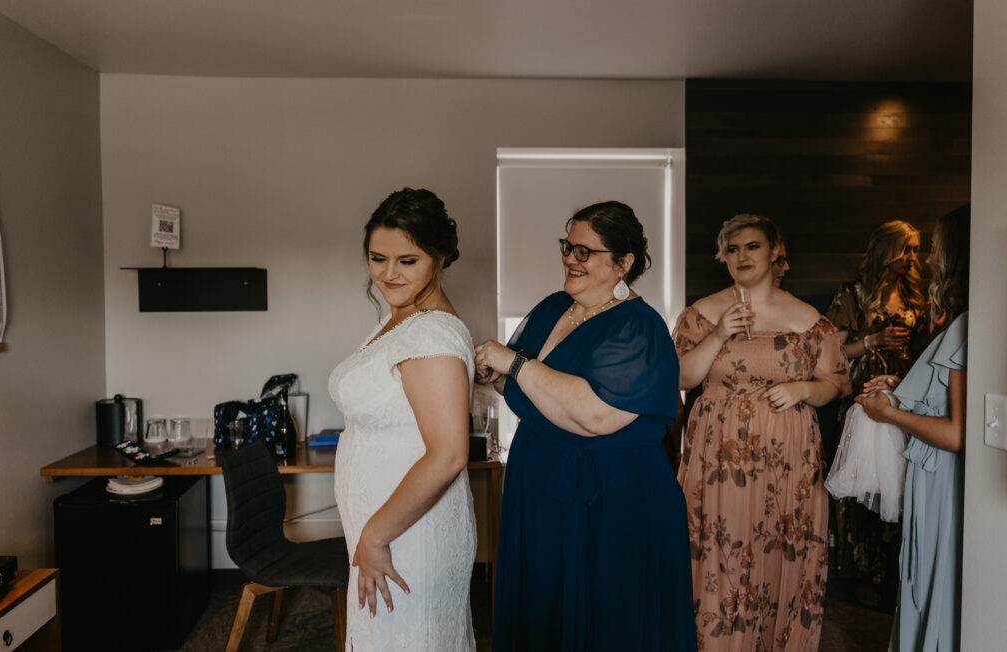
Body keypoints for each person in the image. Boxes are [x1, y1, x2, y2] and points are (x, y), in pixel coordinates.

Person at [474, 201, 696, 651]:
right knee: (547, 609)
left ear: (624, 262)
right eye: (567, 247)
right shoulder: (554, 306)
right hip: (541, 486)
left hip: (613, 498)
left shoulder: (639, 326)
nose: (570, 259)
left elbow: (595, 415)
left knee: (609, 618)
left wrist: (514, 364)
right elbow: (535, 391)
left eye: (584, 251)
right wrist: (499, 378)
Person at [673, 214, 850, 651]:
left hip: (787, 458)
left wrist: (803, 388)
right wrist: (718, 335)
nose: (741, 256)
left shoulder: (809, 319)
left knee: (777, 548)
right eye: (732, 249)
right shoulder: (702, 313)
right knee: (721, 546)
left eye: (752, 246)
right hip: (720, 457)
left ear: (774, 252)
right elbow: (681, 377)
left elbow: (836, 384)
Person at [329, 188, 477, 651]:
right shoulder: (400, 320)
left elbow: (449, 453)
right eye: (378, 258)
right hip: (390, 529)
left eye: (407, 261)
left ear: (440, 258)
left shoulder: (431, 331)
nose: (388, 274)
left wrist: (375, 535)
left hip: (405, 534)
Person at [856, 205, 969, 652]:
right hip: (939, 474)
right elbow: (949, 396)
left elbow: (958, 433)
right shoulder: (966, 320)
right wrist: (905, 387)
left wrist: (890, 414)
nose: (925, 260)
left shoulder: (964, 324)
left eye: (934, 249)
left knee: (936, 573)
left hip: (945, 480)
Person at [825, 220, 928, 609]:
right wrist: (872, 340)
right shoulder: (851, 294)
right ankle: (857, 573)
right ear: (886, 249)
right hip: (862, 399)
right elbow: (832, 353)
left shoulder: (918, 297)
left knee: (896, 479)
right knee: (862, 480)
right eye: (906, 248)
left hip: (903, 395)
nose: (912, 257)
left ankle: (891, 572)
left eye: (916, 250)